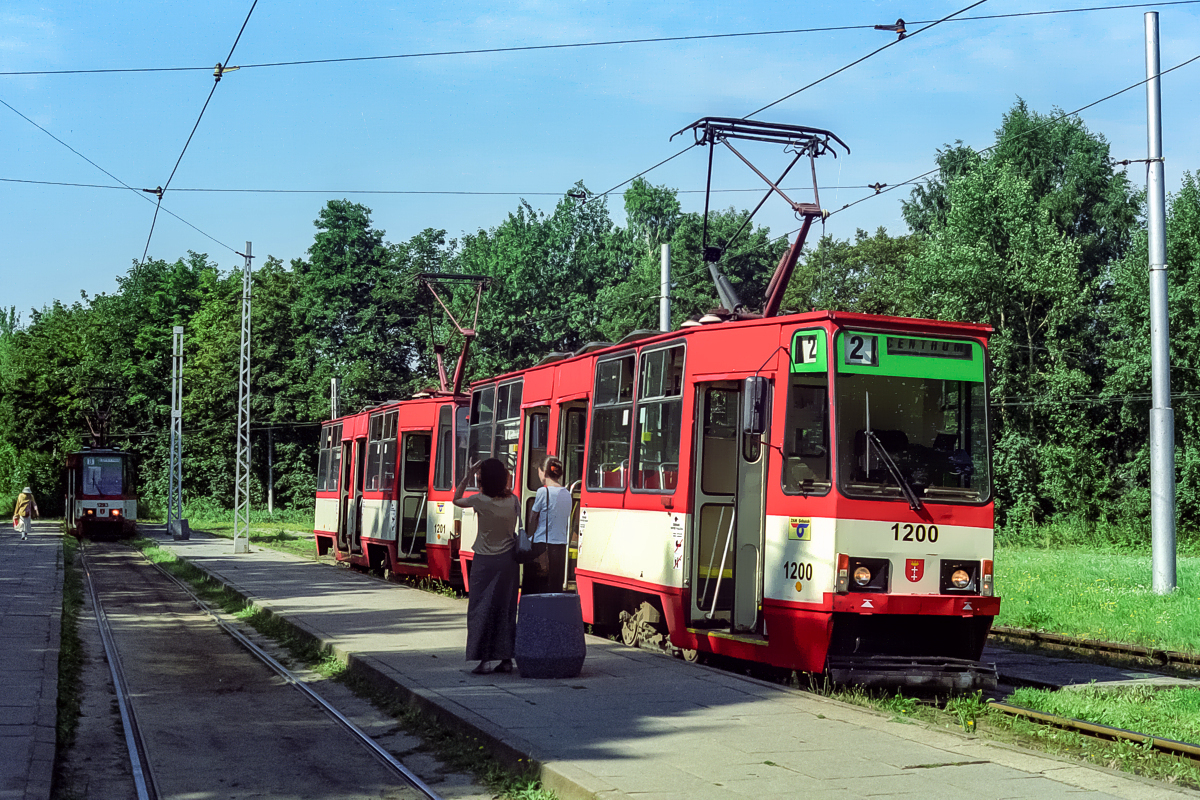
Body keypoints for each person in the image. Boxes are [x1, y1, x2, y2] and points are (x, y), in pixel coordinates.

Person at [454, 458, 520, 675]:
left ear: (482, 478)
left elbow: (456, 499)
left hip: (484, 562)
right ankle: (507, 659)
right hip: (508, 562)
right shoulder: (514, 501)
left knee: (481, 609)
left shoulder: (480, 501)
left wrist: (467, 475)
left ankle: (484, 661)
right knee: (505, 610)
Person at [523, 455, 571, 594]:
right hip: (560, 546)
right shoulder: (567, 493)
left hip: (542, 546)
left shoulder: (543, 491)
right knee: (554, 586)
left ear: (544, 472)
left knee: (537, 587)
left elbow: (533, 517)